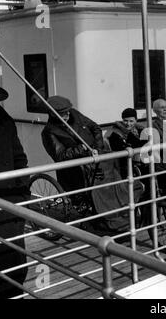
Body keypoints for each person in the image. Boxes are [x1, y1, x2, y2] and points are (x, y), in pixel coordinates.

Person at [41, 95, 128, 232]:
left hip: (94, 159)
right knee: (98, 184)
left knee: (113, 172)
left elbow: (95, 128)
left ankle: (119, 213)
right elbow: (61, 156)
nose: (67, 115)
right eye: (62, 114)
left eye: (67, 112)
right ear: (52, 113)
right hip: (75, 169)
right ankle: (106, 218)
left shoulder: (75, 115)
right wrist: (82, 148)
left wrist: (97, 149)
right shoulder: (48, 132)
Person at [0, 71, 29, 298]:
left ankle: (12, 291)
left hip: (8, 200)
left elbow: (20, 157)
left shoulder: (5, 122)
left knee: (12, 257)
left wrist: (22, 194)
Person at [107, 108, 147, 177]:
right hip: (127, 167)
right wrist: (128, 133)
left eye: (131, 121)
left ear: (136, 120)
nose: (128, 124)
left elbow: (145, 145)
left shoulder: (140, 130)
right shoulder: (115, 134)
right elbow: (120, 152)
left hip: (142, 162)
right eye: (125, 121)